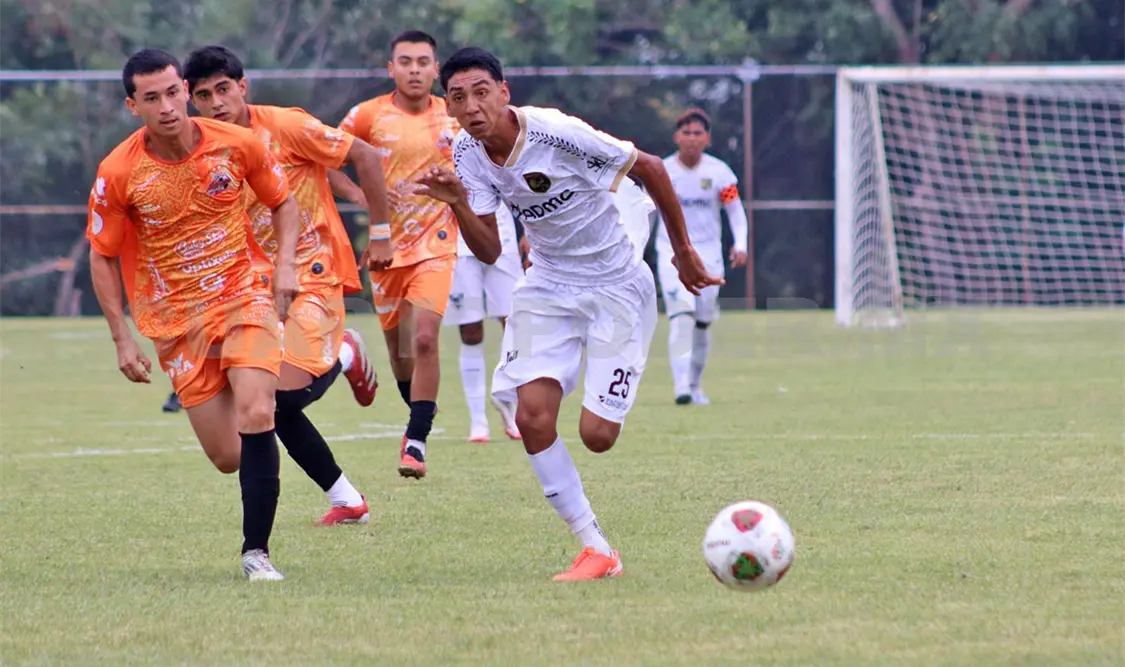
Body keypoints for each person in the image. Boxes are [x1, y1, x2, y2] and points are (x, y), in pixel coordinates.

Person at [417, 47, 720, 581]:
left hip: (616, 280)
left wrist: (683, 251)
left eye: (481, 91)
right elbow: (489, 250)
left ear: (504, 92)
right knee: (533, 417)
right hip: (551, 283)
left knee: (598, 437)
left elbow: (647, 166)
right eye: (459, 97)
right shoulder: (465, 152)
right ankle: (596, 549)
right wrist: (458, 202)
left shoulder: (555, 132)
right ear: (449, 105)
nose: (471, 106)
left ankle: (587, 367)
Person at [88, 49, 299, 581]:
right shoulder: (119, 171)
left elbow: (283, 201)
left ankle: (257, 554)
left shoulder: (238, 144)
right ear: (132, 105)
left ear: (185, 89)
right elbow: (102, 254)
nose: (166, 107)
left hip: (243, 294)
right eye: (151, 98)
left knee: (257, 412)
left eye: (172, 92)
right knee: (229, 456)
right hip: (175, 320)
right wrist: (122, 339)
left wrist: (285, 267)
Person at [183, 44, 390, 525]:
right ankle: (347, 500)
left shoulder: (285, 124)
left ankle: (346, 353)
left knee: (277, 398)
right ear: (192, 101)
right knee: (263, 405)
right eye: (204, 95)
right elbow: (310, 167)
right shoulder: (203, 148)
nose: (216, 102)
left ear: (243, 87)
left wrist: (379, 229)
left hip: (312, 274)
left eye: (223, 89)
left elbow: (360, 153)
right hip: (252, 289)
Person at [334, 30, 499, 479]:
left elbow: (487, 154)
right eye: (404, 61)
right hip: (386, 251)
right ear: (391, 69)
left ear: (435, 69)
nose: (414, 69)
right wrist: (366, 200)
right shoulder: (367, 115)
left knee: (426, 338)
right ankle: (419, 407)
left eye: (423, 62)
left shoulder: (455, 115)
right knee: (402, 352)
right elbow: (327, 158)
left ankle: (417, 439)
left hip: (438, 244)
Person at [656, 108, 749, 405]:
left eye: (698, 133)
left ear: (707, 138)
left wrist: (741, 243)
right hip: (671, 254)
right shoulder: (662, 172)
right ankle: (681, 386)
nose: (692, 139)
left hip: (709, 254)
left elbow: (735, 211)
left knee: (703, 321)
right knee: (681, 315)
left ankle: (695, 385)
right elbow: (646, 212)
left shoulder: (719, 173)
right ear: (676, 137)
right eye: (686, 133)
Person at [443, 204, 522, 443]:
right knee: (471, 332)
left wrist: (528, 233)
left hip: (503, 240)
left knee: (516, 324)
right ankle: (478, 421)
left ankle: (510, 402)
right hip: (457, 243)